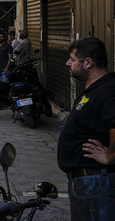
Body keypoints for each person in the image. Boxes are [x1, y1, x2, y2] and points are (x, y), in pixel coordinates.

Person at [57, 37, 115, 221]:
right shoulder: (94, 89)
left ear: (88, 63)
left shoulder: (108, 90)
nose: (68, 63)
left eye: (72, 59)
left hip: (95, 183)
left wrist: (110, 156)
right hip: (85, 184)